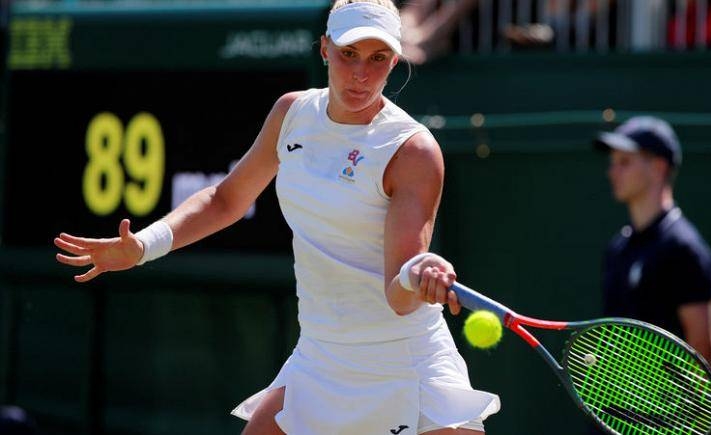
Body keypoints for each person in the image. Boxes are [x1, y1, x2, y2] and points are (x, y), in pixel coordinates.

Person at [53, 1, 500, 434]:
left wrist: (416, 274)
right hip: (321, 358)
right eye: (348, 55)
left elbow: (398, 297)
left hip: (405, 365)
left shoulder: (413, 151)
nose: (361, 73)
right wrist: (144, 247)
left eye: (378, 58)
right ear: (324, 48)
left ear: (395, 60)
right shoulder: (292, 113)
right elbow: (226, 200)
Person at [593, 116, 711, 370]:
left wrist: (676, 408)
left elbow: (702, 350)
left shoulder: (684, 249)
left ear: (658, 168)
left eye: (625, 162)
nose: (612, 172)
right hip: (617, 406)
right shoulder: (618, 249)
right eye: (613, 163)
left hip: (668, 408)